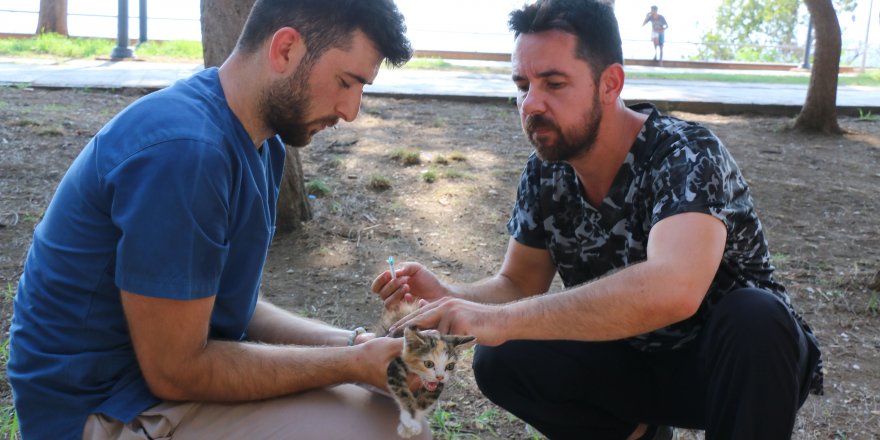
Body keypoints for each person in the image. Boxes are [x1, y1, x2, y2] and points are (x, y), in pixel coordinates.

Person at [372, 0, 823, 439]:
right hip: (634, 364)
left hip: (739, 368)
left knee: (755, 315)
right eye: (522, 85)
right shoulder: (545, 171)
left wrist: (499, 321)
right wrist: (450, 297)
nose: (531, 104)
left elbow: (675, 289)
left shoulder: (684, 153)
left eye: (553, 83)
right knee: (502, 359)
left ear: (610, 83)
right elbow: (517, 285)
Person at [7, 1, 426, 439]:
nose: (350, 110)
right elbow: (176, 371)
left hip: (144, 387)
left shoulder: (260, 143)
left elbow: (226, 309)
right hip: (94, 410)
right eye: (346, 82)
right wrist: (349, 366)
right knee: (383, 430)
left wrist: (354, 346)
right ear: (285, 49)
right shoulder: (186, 153)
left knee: (386, 410)